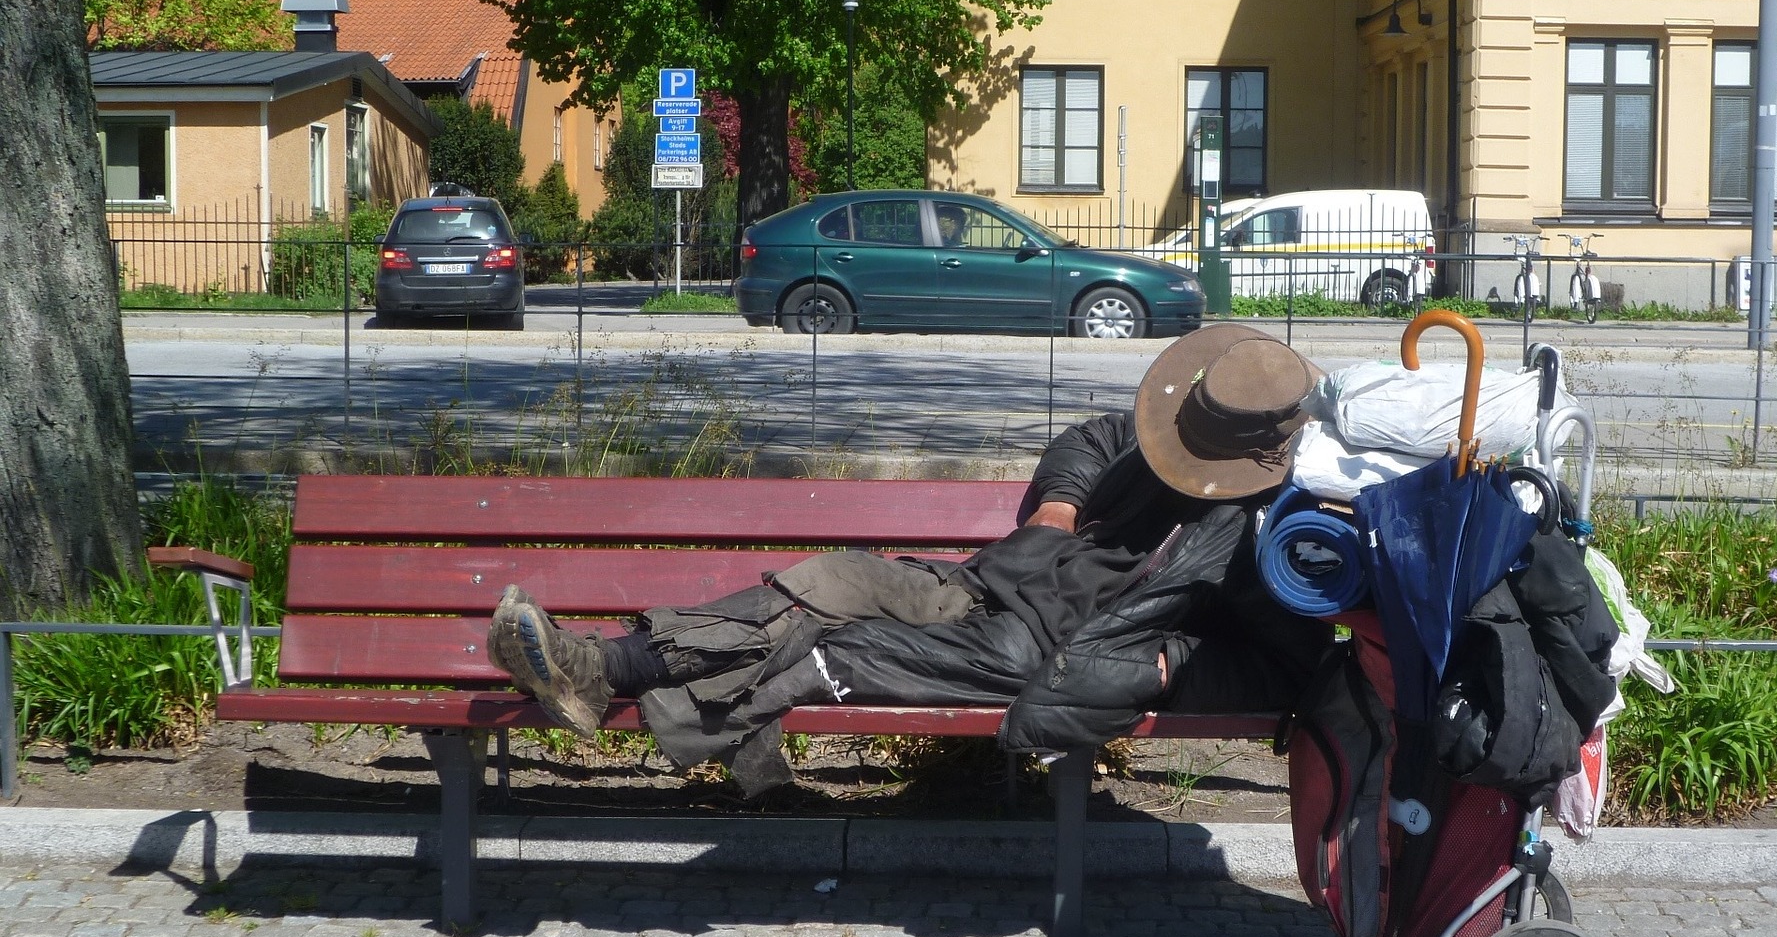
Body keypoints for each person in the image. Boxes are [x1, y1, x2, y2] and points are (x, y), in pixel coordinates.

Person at [487, 323, 1334, 793]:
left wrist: (1161, 661)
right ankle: (597, 670)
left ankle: (606, 671)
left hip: (1039, 655)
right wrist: (1060, 503)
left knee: (834, 650)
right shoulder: (1173, 429)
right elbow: (1095, 436)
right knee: (833, 578)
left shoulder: (1274, 531)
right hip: (987, 586)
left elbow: (1282, 666)